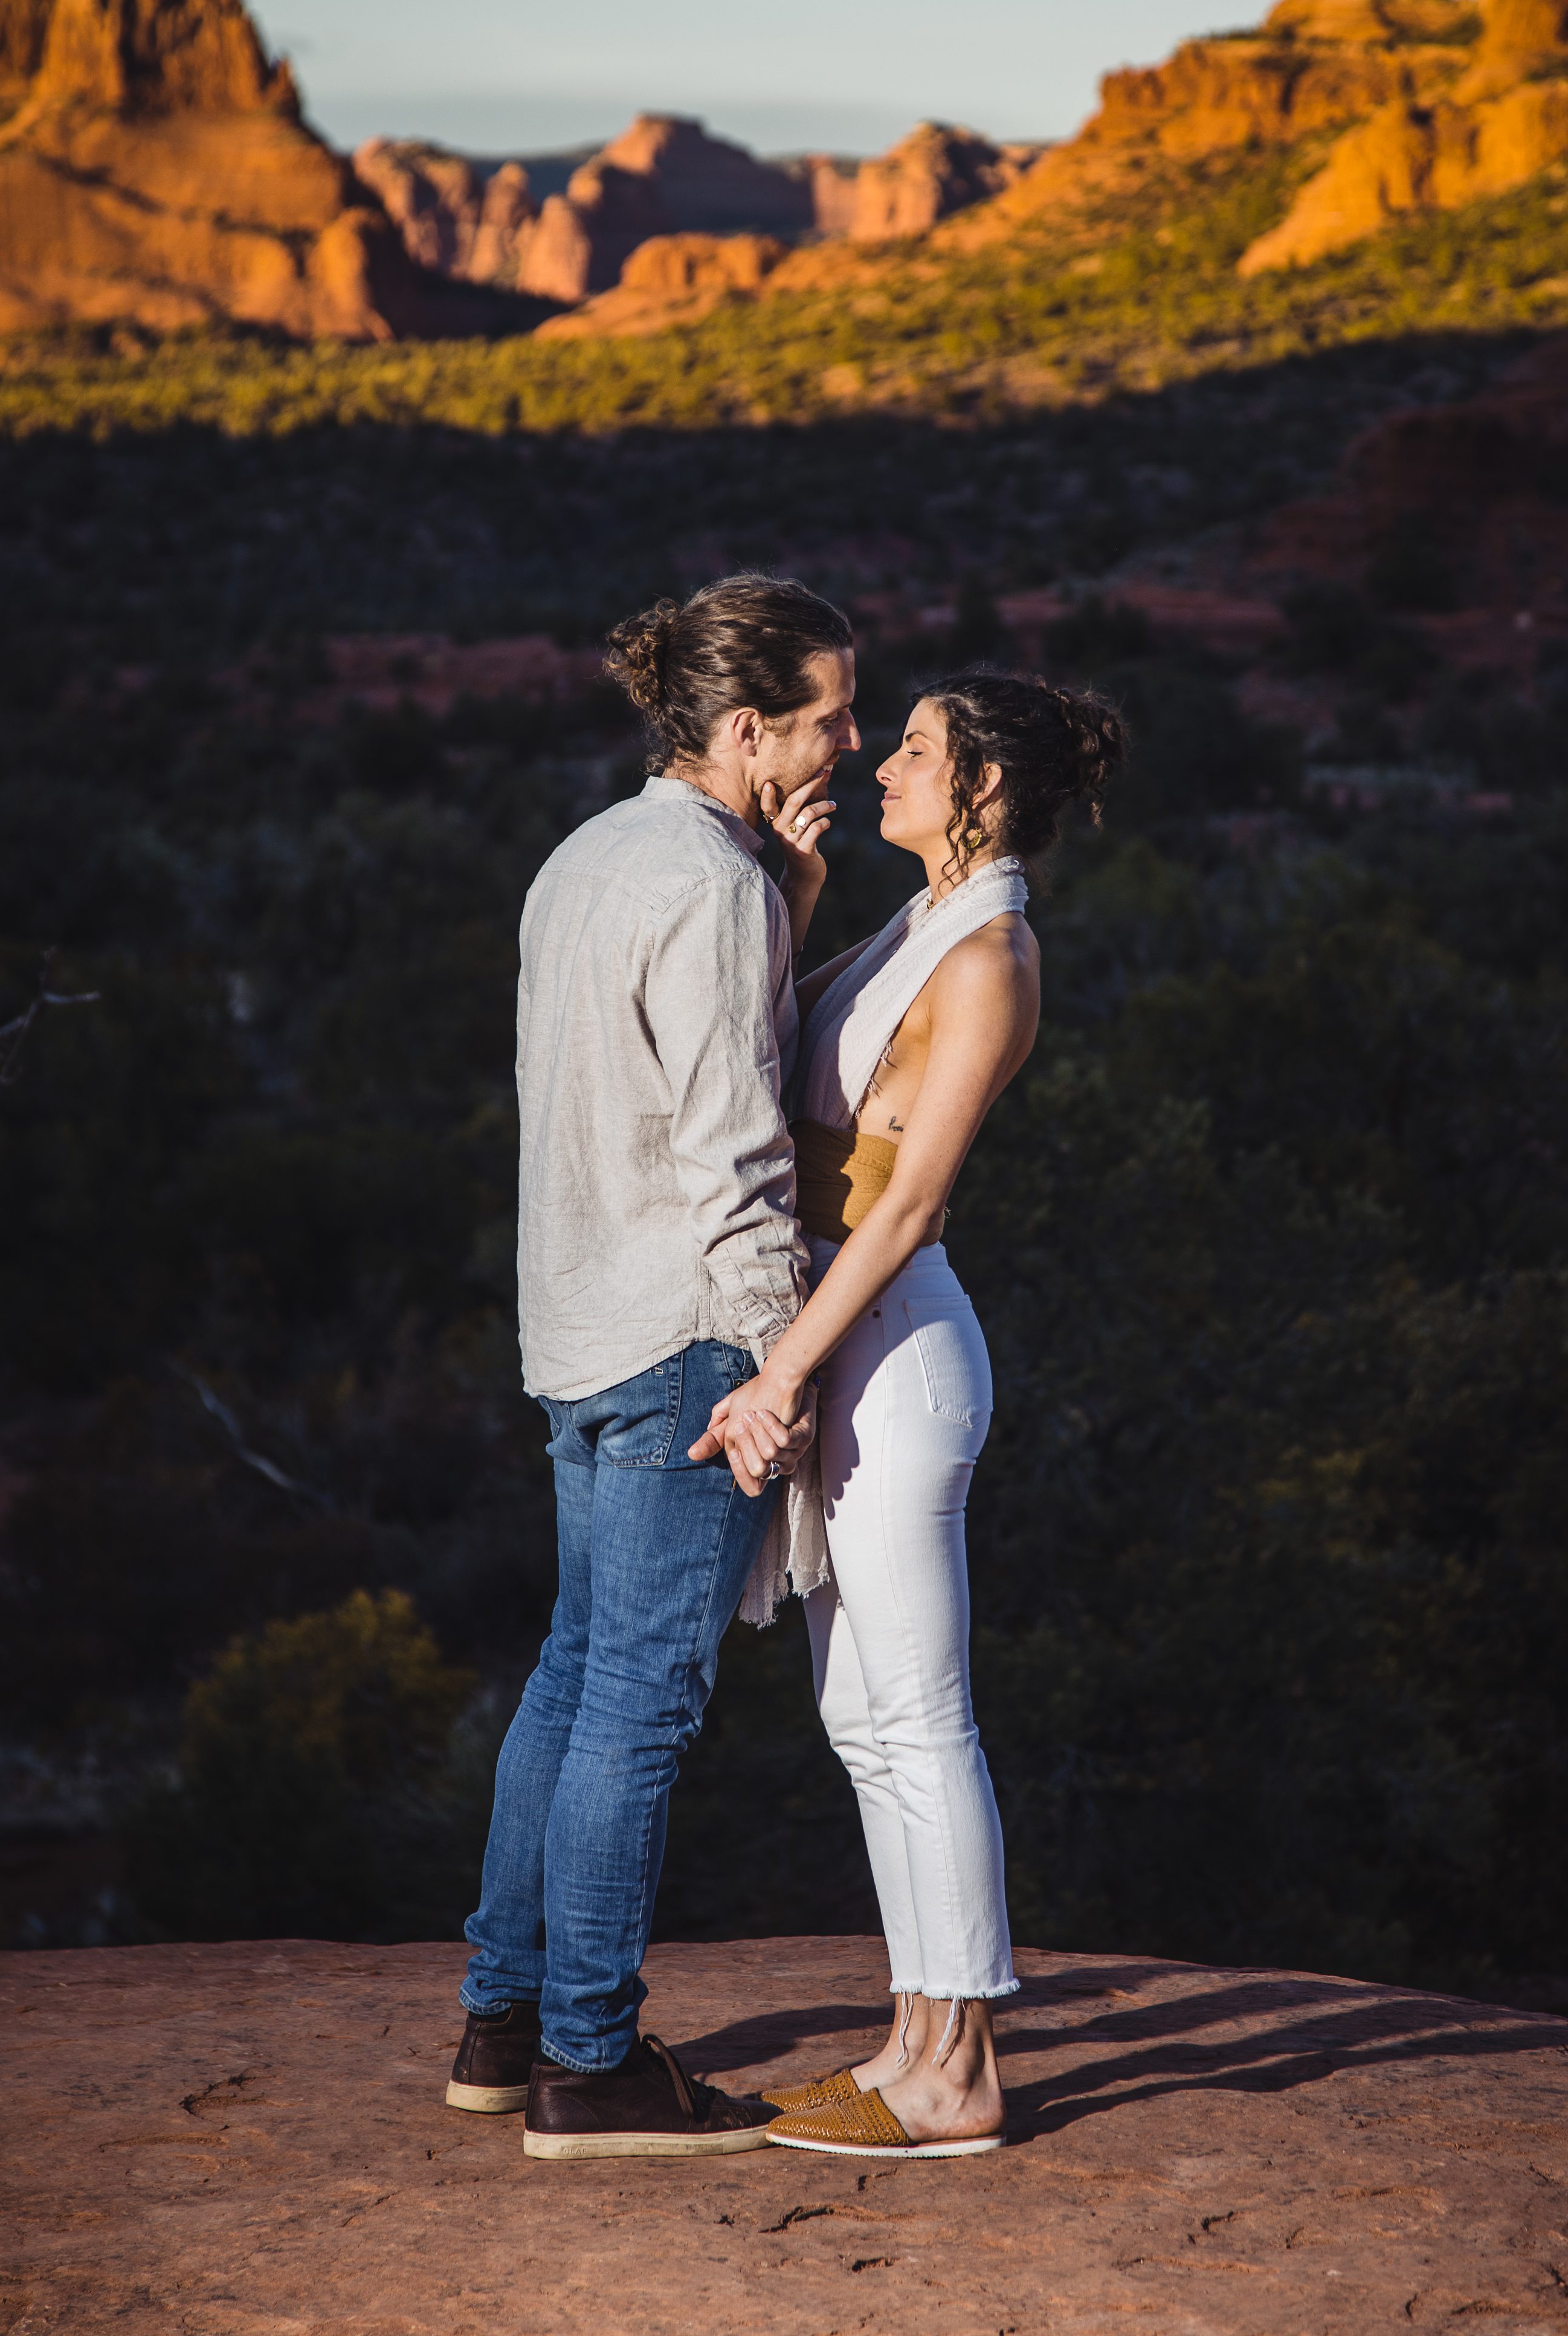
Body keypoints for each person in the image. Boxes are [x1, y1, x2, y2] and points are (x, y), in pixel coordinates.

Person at [446, 572, 860, 2161]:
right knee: (645, 1689)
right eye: (828, 711)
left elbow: (650, 1070)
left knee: (573, 1667)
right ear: (747, 728)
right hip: (686, 1328)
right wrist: (783, 1365)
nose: (850, 733)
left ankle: (504, 2020)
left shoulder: (594, 857)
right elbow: (737, 1146)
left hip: (575, 1321)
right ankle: (590, 2061)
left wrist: (798, 895)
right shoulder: (715, 884)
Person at [692, 668, 1125, 2159]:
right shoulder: (917, 919)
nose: (882, 763)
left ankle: (965, 2073)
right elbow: (789, 1050)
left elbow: (912, 1201)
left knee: (921, 1715)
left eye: (921, 751)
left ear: (986, 787)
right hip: (844, 1333)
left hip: (895, 1350)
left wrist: (782, 1370)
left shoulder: (991, 950)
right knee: (859, 1716)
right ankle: (912, 2038)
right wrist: (801, 886)